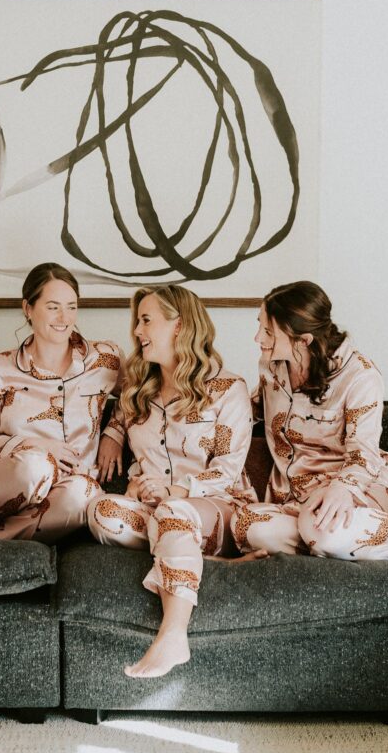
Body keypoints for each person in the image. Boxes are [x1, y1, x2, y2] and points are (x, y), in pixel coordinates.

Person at [89, 285, 267, 680]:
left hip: (217, 507)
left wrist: (176, 492)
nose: (137, 330)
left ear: (180, 326)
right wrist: (132, 478)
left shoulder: (226, 389)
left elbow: (227, 469)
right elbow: (127, 438)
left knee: (173, 511)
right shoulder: (139, 388)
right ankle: (204, 560)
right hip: (159, 510)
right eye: (138, 320)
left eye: (147, 320)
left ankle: (173, 634)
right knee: (102, 512)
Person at [232, 280, 388, 568]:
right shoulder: (272, 366)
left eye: (269, 331)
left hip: (357, 490)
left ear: (303, 340)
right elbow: (253, 409)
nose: (258, 338)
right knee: (246, 525)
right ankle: (373, 550)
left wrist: (342, 489)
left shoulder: (360, 376)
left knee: (316, 527)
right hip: (296, 498)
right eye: (260, 326)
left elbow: (364, 452)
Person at [0, 263, 122, 549]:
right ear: (28, 309)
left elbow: (142, 397)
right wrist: (33, 445)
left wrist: (114, 433)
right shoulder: (1, 366)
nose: (64, 317)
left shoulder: (105, 358)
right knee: (36, 464)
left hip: (66, 495)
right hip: (8, 482)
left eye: (71, 307)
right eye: (53, 307)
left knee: (86, 493)